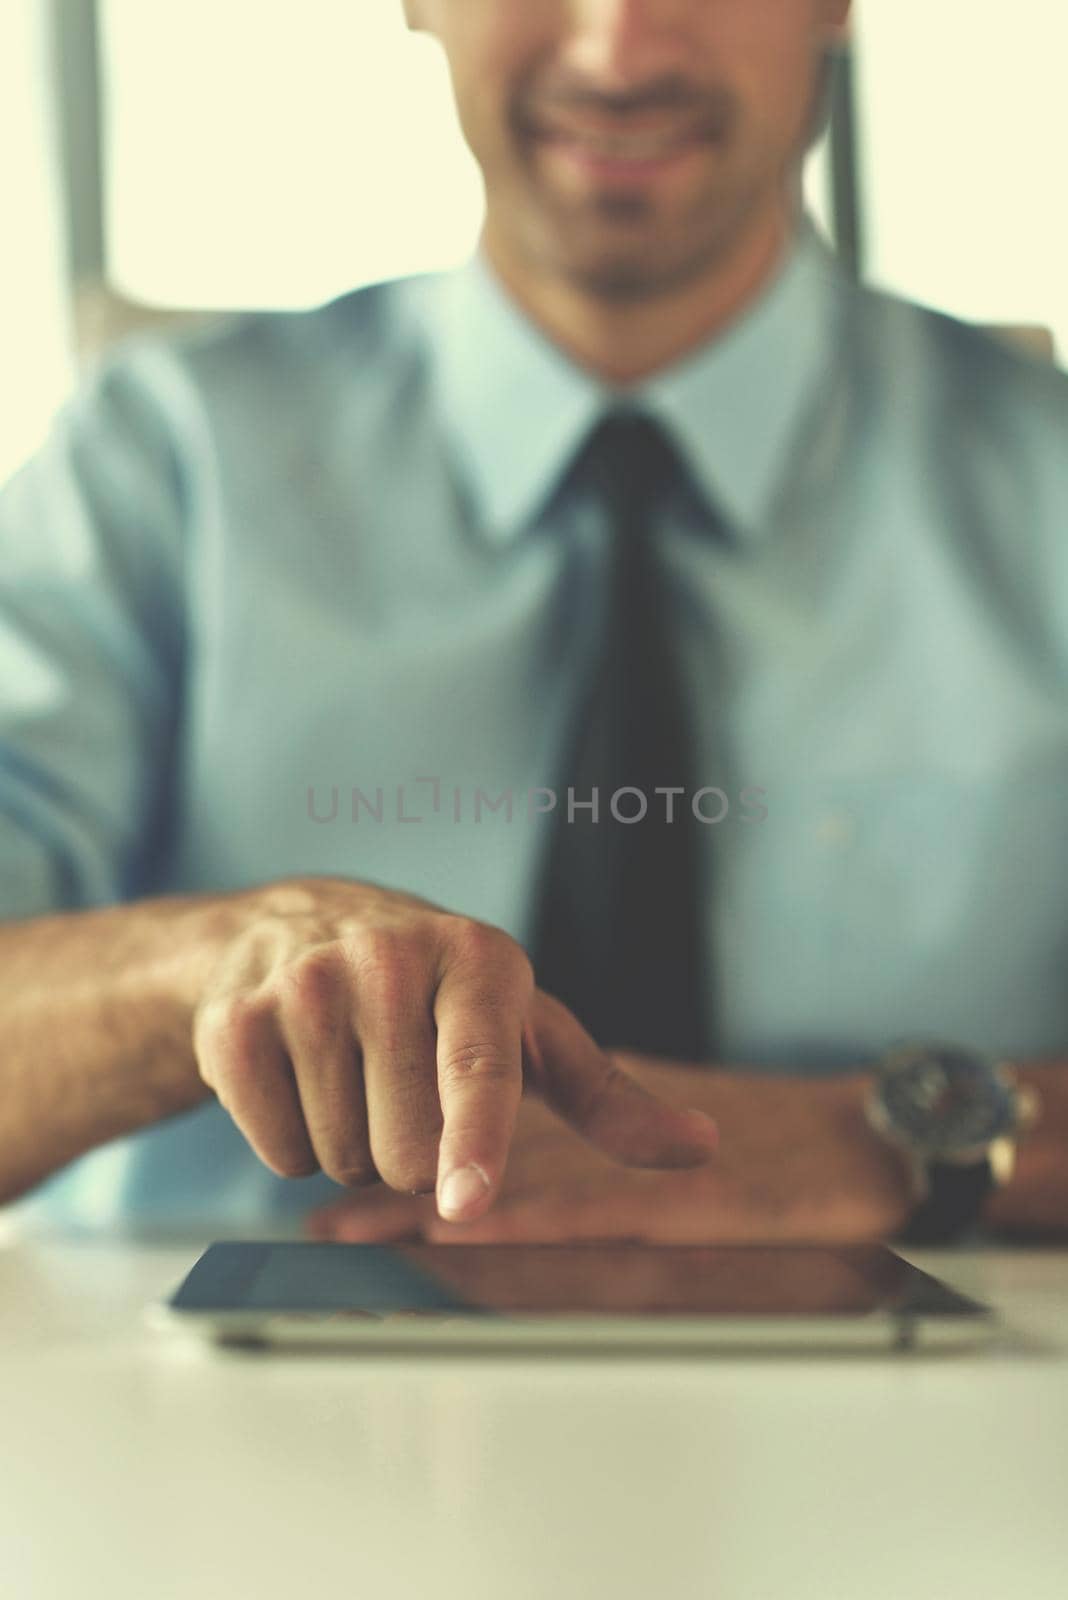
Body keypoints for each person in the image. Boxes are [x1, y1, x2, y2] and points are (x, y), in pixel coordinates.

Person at [1, 0, 1065, 1243]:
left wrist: (873, 1141)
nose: (618, 51)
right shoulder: (155, 472)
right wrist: (199, 972)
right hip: (208, 1405)